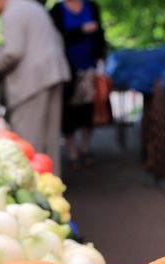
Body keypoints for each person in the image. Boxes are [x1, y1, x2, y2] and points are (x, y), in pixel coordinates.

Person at [0, 0, 71, 175]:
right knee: (51, 139)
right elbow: (58, 40)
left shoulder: (12, 12)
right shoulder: (31, 6)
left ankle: (33, 189)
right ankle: (53, 184)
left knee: (28, 142)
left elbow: (12, 52)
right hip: (53, 73)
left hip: (32, 81)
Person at [50, 0, 107, 170]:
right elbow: (56, 38)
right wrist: (81, 31)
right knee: (69, 110)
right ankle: (72, 152)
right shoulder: (57, 11)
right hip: (67, 69)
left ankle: (85, 147)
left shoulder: (91, 7)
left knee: (89, 108)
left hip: (89, 67)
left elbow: (99, 36)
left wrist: (101, 59)